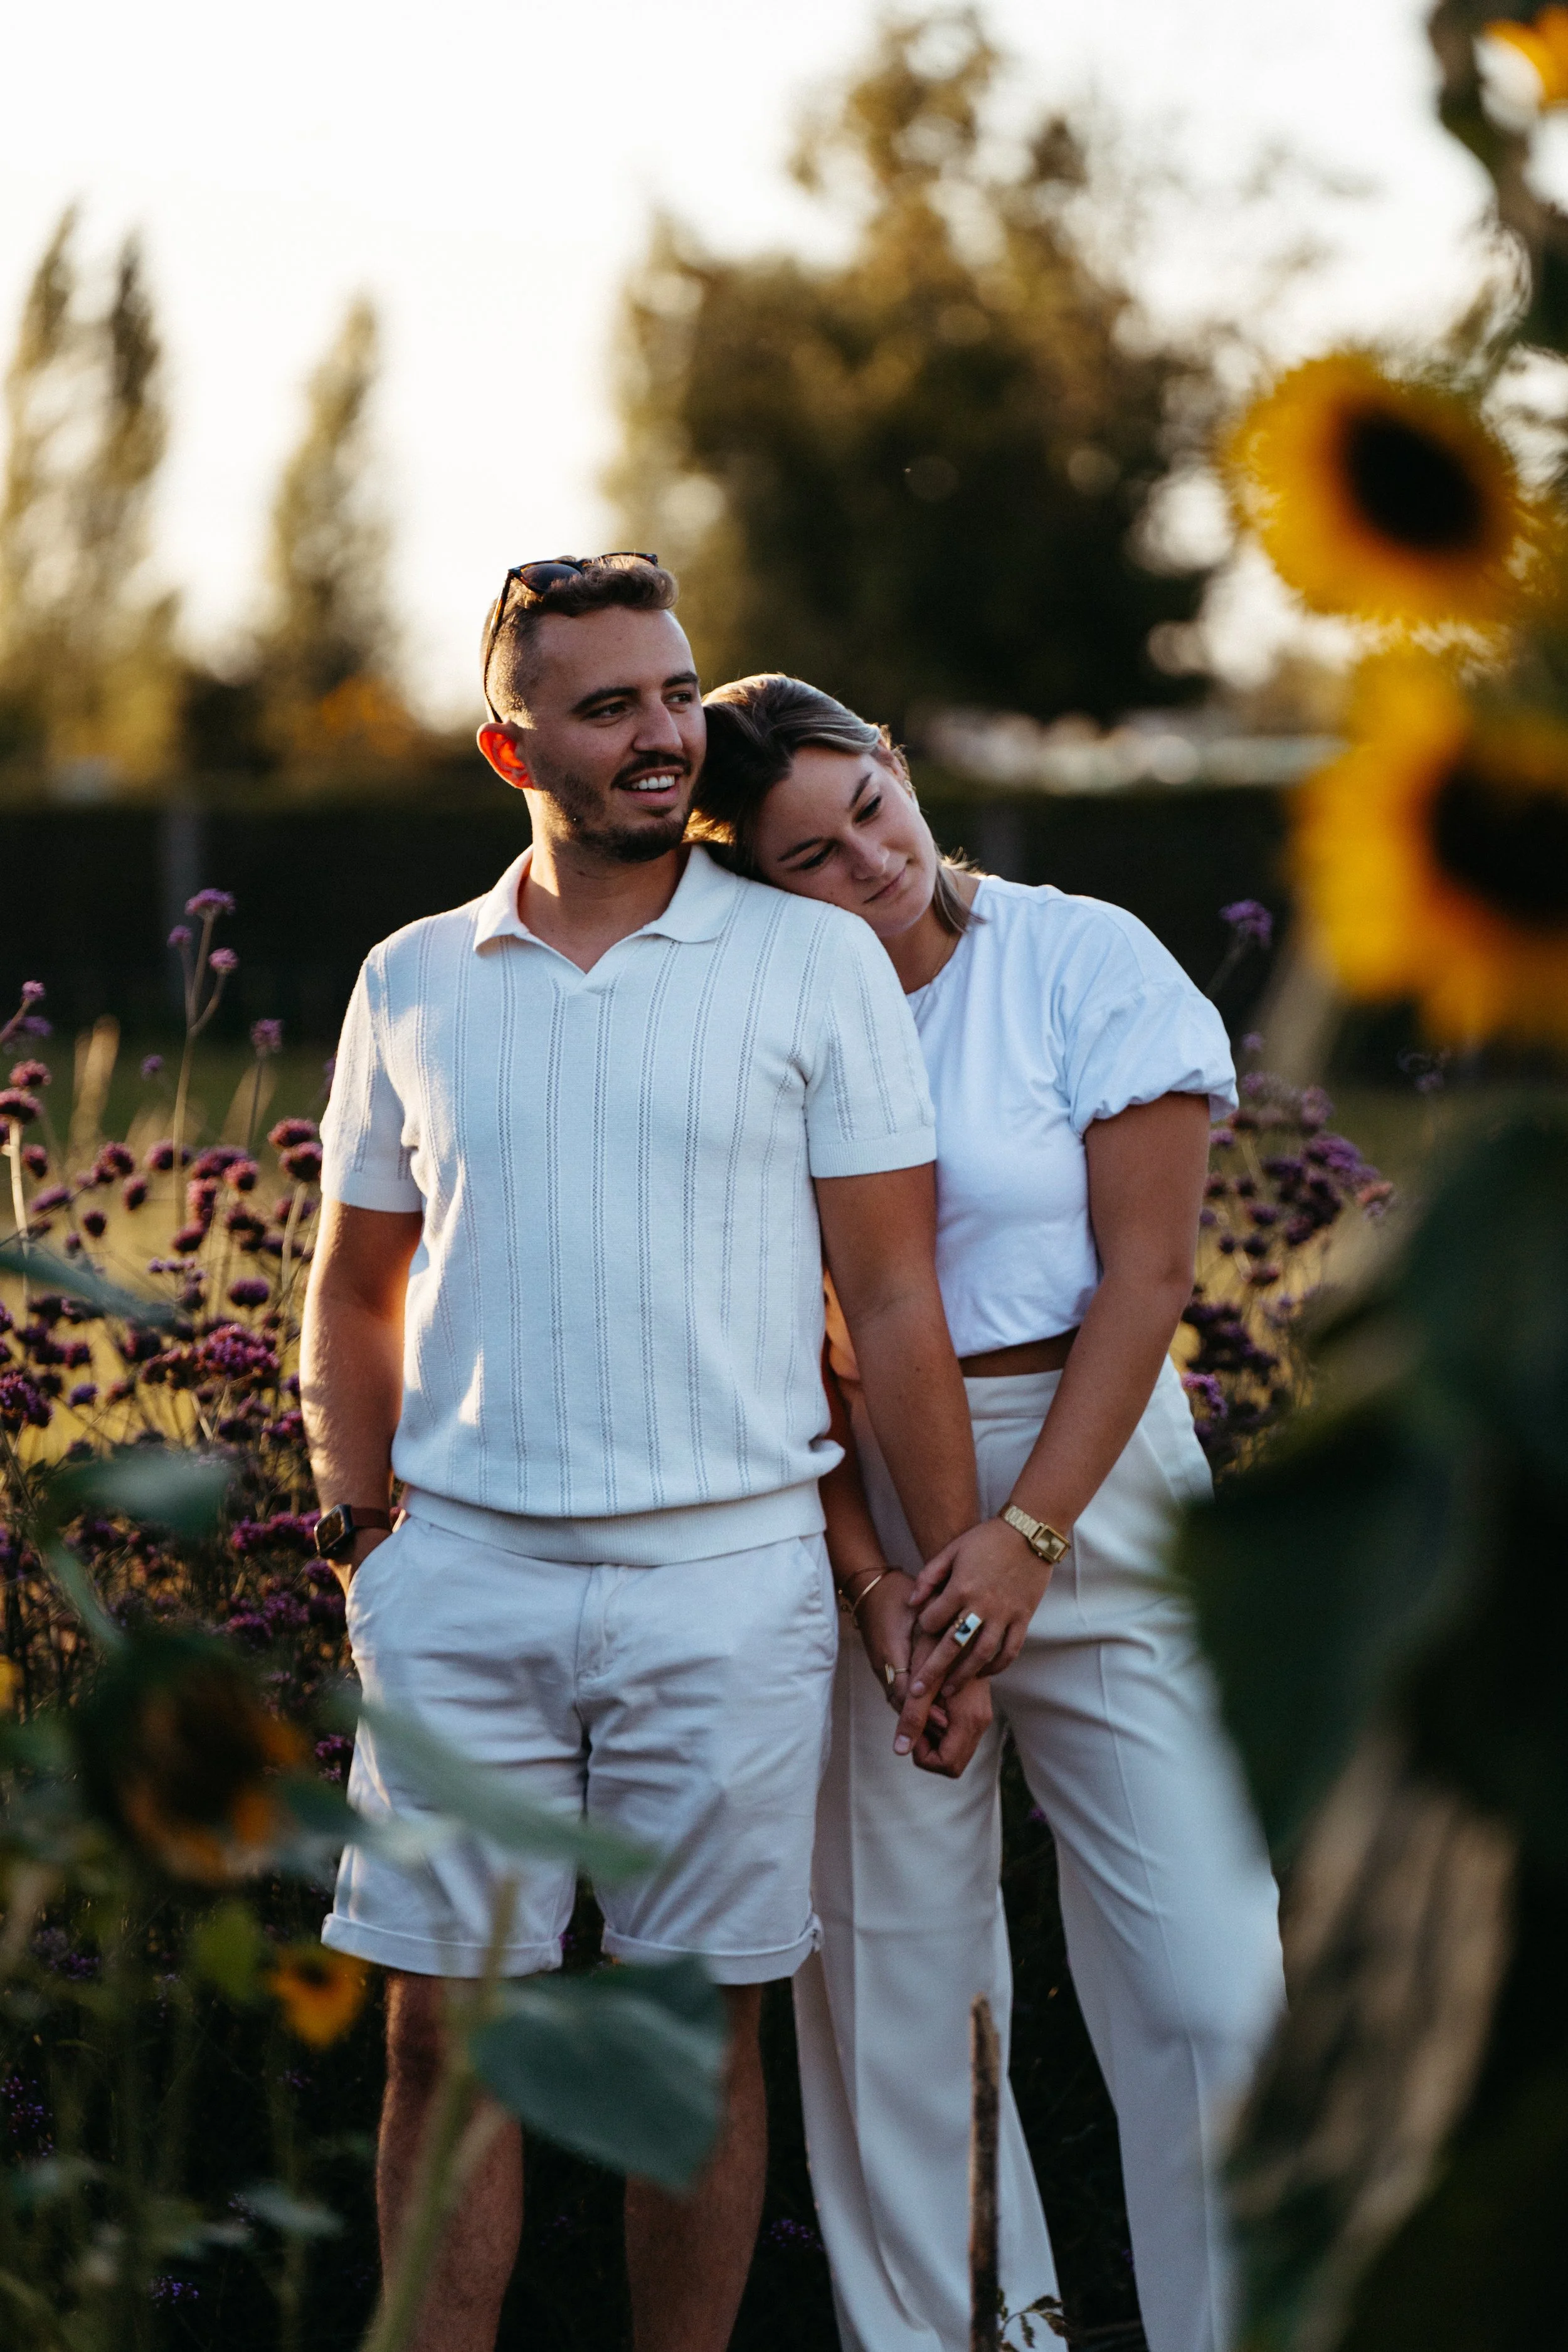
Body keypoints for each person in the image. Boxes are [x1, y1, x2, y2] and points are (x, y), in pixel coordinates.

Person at [300, 561, 988, 2352]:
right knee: (445, 2043)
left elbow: (892, 1300)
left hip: (730, 1584)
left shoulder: (813, 961)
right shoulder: (411, 978)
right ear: (509, 745)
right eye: (608, 707)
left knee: (690, 2050)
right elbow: (355, 1283)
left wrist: (948, 1591)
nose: (664, 736)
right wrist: (364, 1539)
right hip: (463, 1585)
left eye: (676, 694)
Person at [691, 673, 1287, 2352]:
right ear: (754, 886)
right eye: (809, 858)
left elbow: (1148, 1278)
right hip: (868, 1513)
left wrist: (1025, 1540)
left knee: (1212, 1991)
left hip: (1100, 1490)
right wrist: (870, 1569)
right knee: (901, 1996)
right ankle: (968, 2335)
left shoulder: (1083, 957)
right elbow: (765, 1329)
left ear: (893, 761)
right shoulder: (756, 1023)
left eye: (868, 807)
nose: (869, 861)